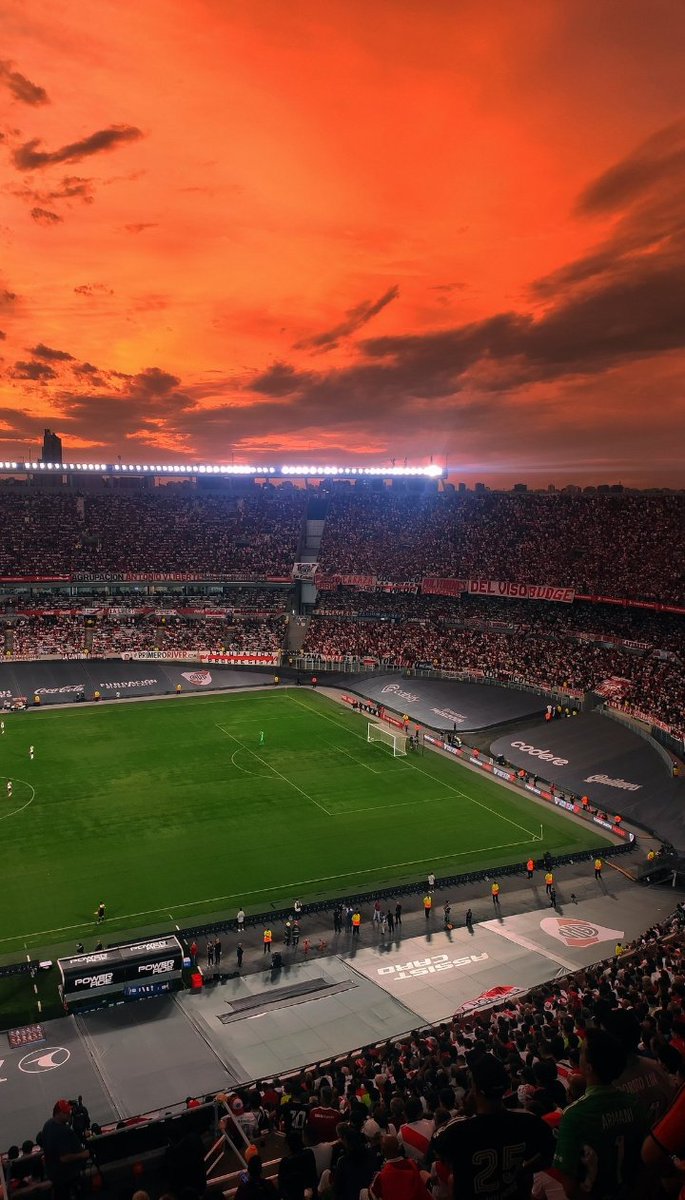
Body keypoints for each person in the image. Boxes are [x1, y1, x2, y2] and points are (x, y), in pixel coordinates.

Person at [433, 1055, 554, 1200]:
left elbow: (435, 1145)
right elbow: (549, 1154)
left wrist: (464, 1111)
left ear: (475, 1089)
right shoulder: (527, 1121)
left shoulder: (457, 1130)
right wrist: (522, 1171)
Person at [553, 1028, 647, 1198]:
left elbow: (570, 1187)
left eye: (582, 1052)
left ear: (588, 1067)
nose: (578, 1054)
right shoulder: (634, 1103)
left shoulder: (574, 1115)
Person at [40, 1099, 91, 1199]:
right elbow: (64, 1158)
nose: (69, 1114)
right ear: (58, 1113)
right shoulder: (63, 1131)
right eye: (66, 1112)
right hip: (65, 1176)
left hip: (54, 1174)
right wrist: (83, 1154)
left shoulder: (47, 1125)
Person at [370, 1133, 431, 1199]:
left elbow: (372, 1194)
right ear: (399, 1147)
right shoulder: (413, 1163)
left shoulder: (380, 1176)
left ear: (382, 1152)